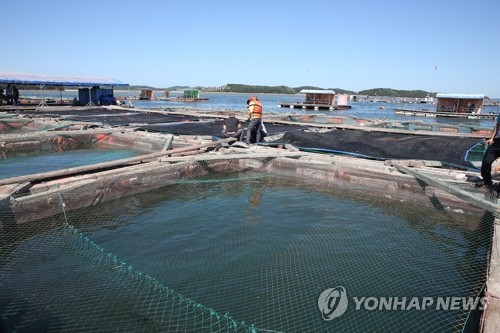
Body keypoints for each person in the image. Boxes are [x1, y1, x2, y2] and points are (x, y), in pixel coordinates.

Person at [480, 114, 500, 191]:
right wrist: (492, 138)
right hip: (497, 141)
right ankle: (487, 180)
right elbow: (497, 125)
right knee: (486, 161)